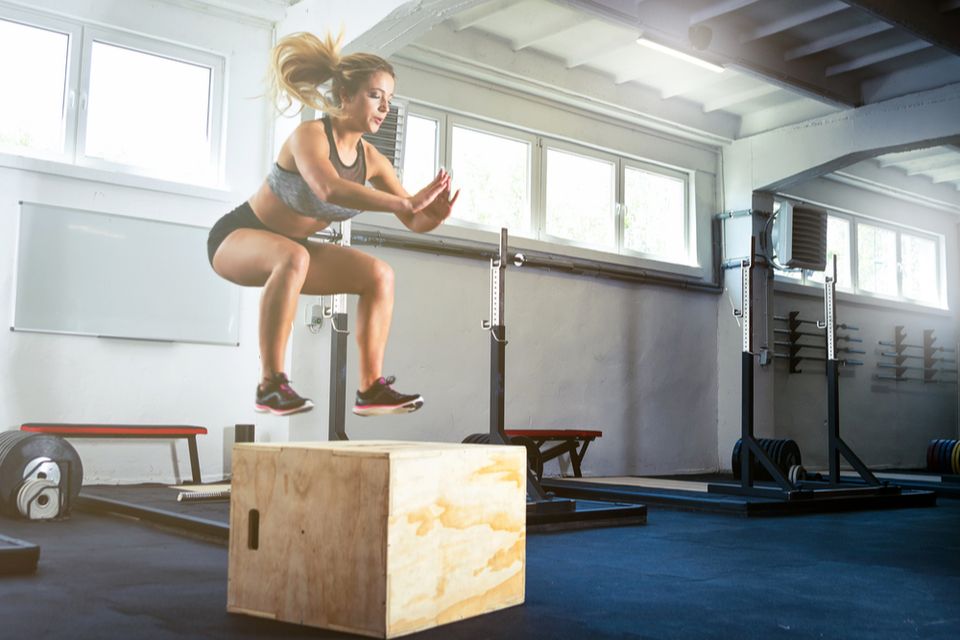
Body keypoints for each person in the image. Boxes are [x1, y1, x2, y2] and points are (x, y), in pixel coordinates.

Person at [207, 31, 458, 417]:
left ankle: (370, 389)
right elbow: (328, 188)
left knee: (379, 274)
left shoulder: (372, 159)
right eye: (376, 95)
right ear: (345, 95)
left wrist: (432, 217)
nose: (385, 106)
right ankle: (270, 384)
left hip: (294, 252)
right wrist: (406, 201)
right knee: (292, 255)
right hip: (236, 238)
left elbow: (412, 218)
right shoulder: (309, 136)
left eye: (389, 99)